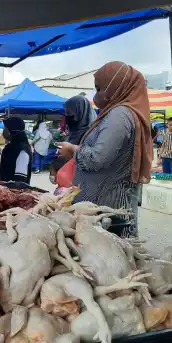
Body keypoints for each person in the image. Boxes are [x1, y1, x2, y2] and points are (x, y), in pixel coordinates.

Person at [57, 61, 153, 237]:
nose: (96, 95)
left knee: (107, 257)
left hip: (107, 206)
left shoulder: (120, 116)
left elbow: (98, 158)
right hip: (106, 204)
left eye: (99, 89)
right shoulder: (120, 113)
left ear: (115, 88)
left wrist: (73, 150)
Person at [0, 117, 32, 183]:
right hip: (5, 189)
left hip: (14, 191)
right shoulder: (11, 147)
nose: (3, 130)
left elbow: (19, 181)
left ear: (13, 130)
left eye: (5, 128)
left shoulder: (22, 150)